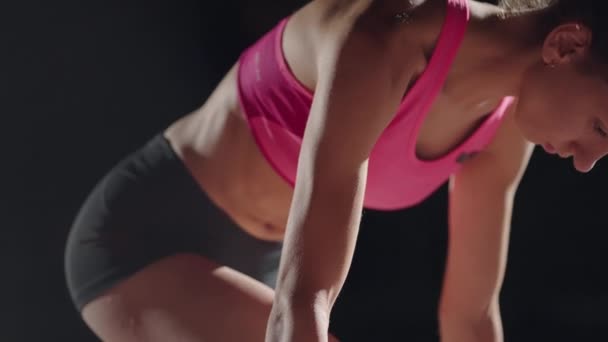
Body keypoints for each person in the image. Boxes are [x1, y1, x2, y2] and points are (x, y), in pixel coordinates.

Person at [64, 0, 608, 341]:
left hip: (265, 271)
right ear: (565, 45)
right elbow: (305, 301)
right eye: (601, 130)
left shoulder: (509, 126)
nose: (587, 161)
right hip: (146, 240)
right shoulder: (389, 33)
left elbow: (469, 319)